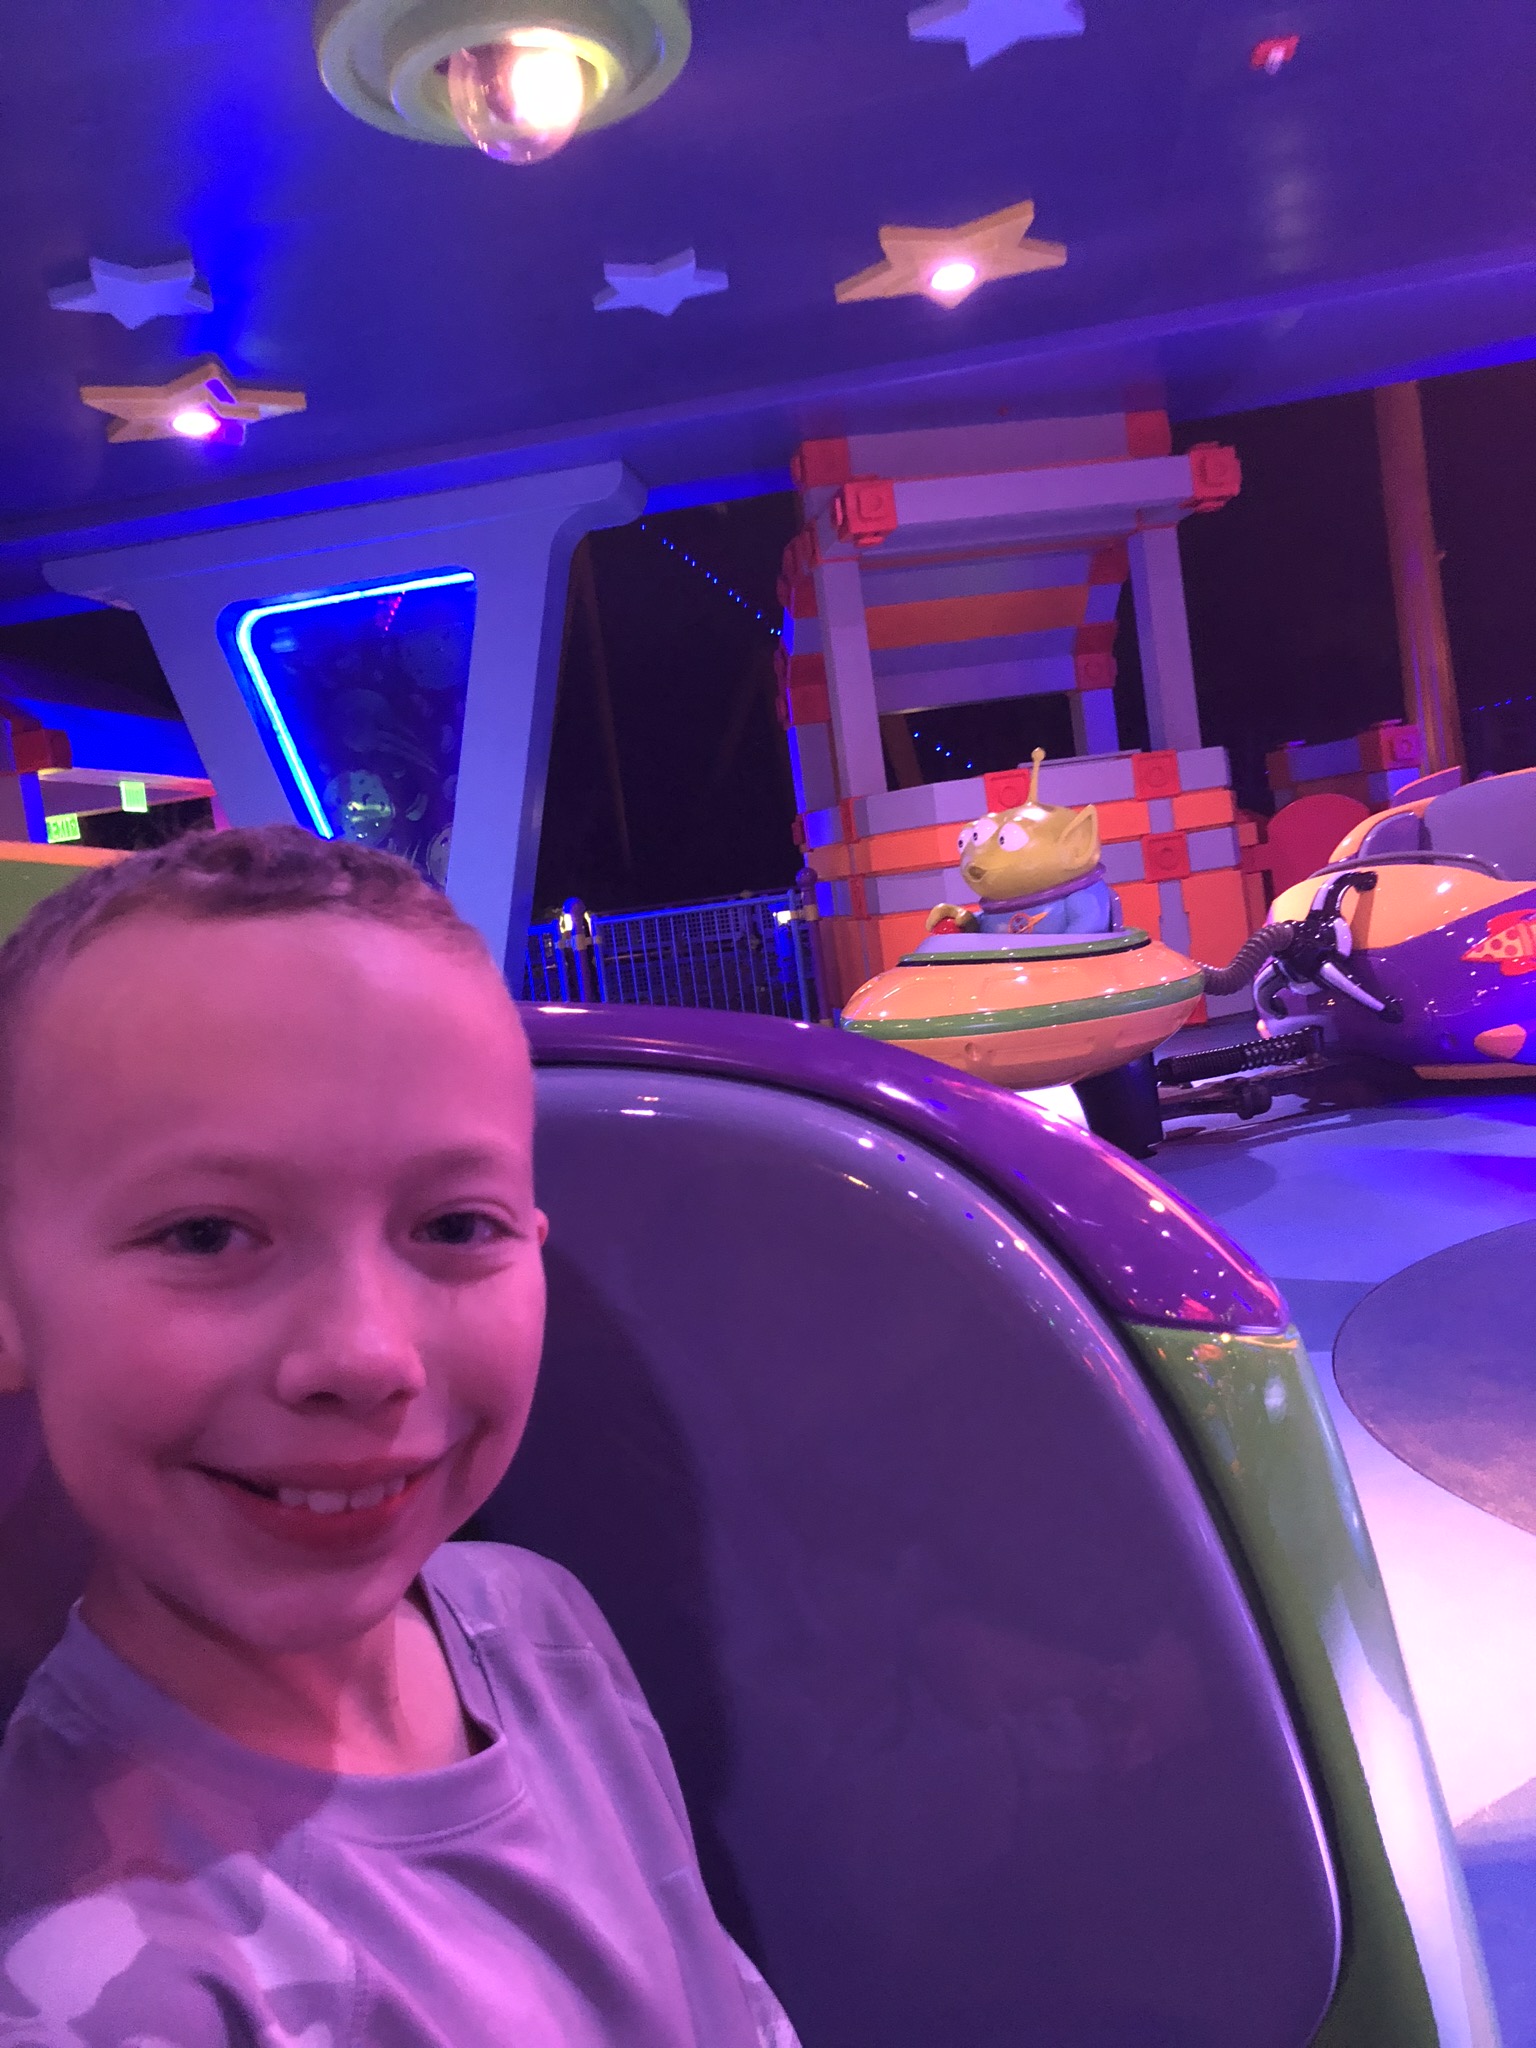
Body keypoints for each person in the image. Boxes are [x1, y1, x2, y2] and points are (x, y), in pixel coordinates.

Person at [0, 825, 798, 2048]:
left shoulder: (537, 1625)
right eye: (207, 1234)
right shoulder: (96, 1987)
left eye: (456, 1225)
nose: (368, 1355)